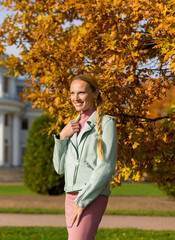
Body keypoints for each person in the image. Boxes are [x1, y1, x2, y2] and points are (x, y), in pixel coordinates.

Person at [53, 74, 117, 240]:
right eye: (72, 93)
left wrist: (81, 201)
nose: (76, 98)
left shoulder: (106, 123)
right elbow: (59, 168)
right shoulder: (71, 126)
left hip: (91, 195)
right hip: (70, 195)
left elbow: (106, 166)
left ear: (95, 93)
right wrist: (61, 137)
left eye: (81, 93)